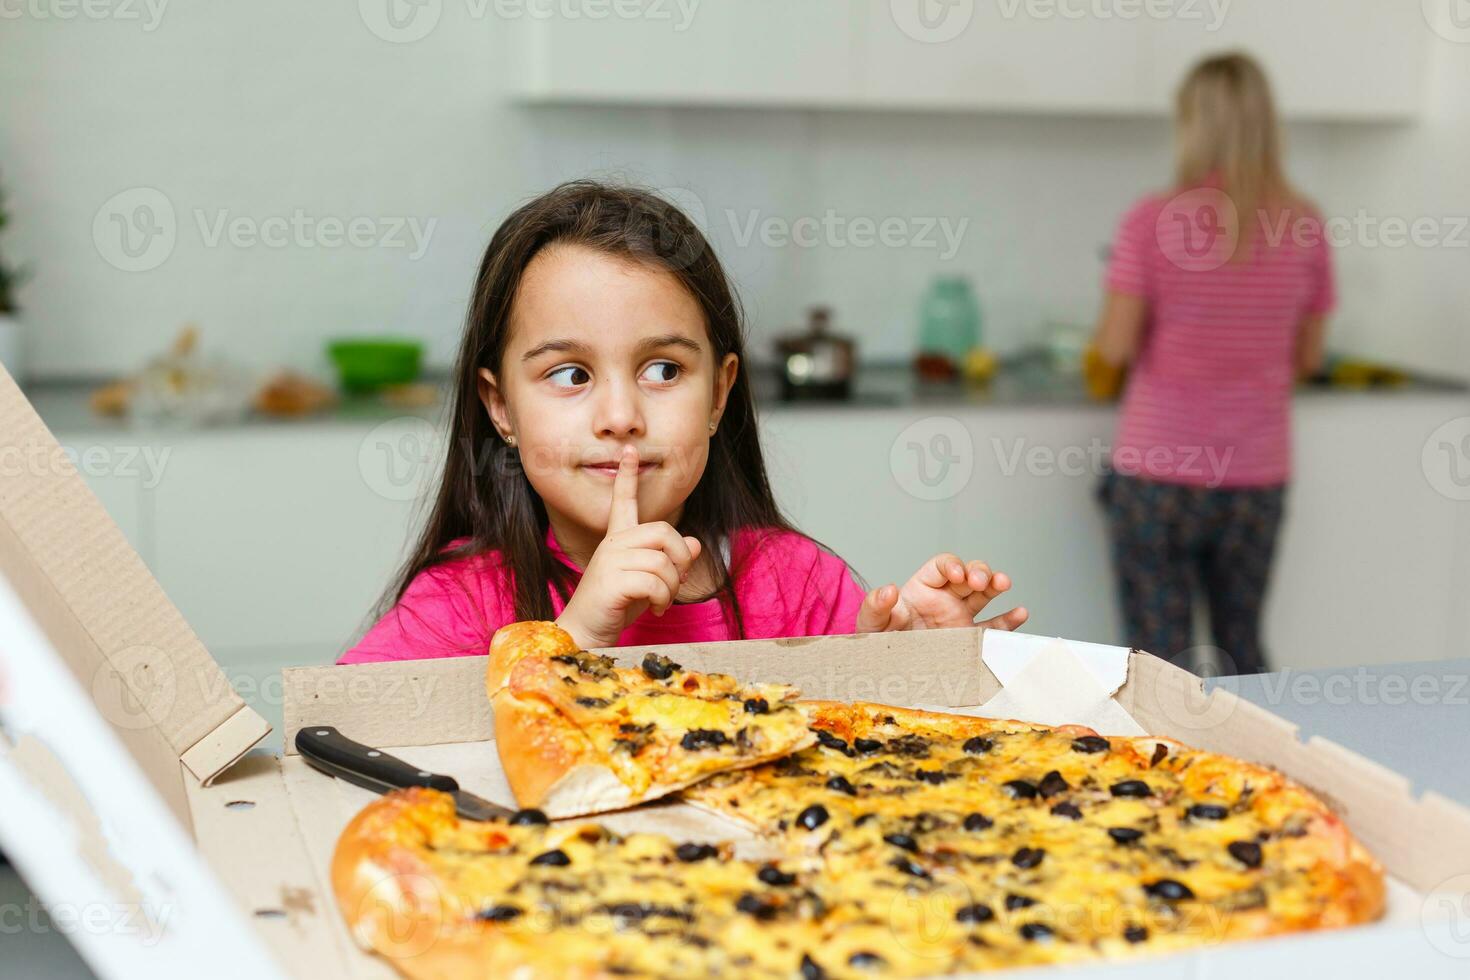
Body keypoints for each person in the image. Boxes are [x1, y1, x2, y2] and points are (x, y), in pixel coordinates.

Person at [339, 181, 1028, 663]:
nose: (620, 417)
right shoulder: (461, 604)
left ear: (720, 393)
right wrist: (575, 639)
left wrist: (915, 667)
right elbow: (340, 748)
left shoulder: (794, 585)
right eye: (571, 375)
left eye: (663, 370)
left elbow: (866, 756)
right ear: (500, 409)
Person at [1091, 53, 1334, 676]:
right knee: (1242, 649)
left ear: (1193, 124)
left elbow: (1113, 350)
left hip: (1158, 476)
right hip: (1255, 477)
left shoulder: (1152, 220)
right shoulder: (1304, 225)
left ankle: (1163, 772)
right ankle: (1265, 771)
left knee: (1159, 665)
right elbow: (1308, 356)